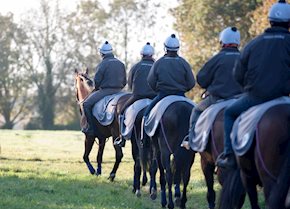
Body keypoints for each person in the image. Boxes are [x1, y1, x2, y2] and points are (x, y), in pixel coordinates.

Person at [216, 0, 290, 168]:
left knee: (229, 113)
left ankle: (229, 156)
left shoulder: (254, 44)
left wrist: (247, 89)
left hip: (256, 97)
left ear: (270, 21)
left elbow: (238, 74)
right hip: (284, 97)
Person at [182, 27, 243, 149]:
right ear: (238, 42)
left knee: (196, 111)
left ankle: (192, 139)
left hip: (217, 99)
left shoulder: (217, 58)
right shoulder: (244, 57)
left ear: (222, 42)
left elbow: (201, 79)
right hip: (241, 100)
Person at [143, 34, 195, 117]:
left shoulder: (159, 62)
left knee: (146, 114)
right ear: (178, 48)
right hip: (180, 94)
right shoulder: (184, 63)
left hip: (163, 94)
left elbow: (150, 81)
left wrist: (157, 90)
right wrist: (183, 89)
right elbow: (192, 83)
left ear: (165, 48)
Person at [114, 42, 157, 146]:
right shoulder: (157, 65)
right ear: (152, 54)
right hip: (154, 97)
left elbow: (129, 83)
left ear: (141, 54)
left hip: (137, 96)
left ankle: (121, 138)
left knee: (122, 112)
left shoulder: (135, 66)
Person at [82, 41, 127, 138]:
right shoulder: (121, 64)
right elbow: (124, 81)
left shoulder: (102, 64)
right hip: (120, 91)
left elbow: (97, 81)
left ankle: (90, 128)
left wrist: (97, 88)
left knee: (86, 104)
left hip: (105, 91)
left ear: (102, 53)